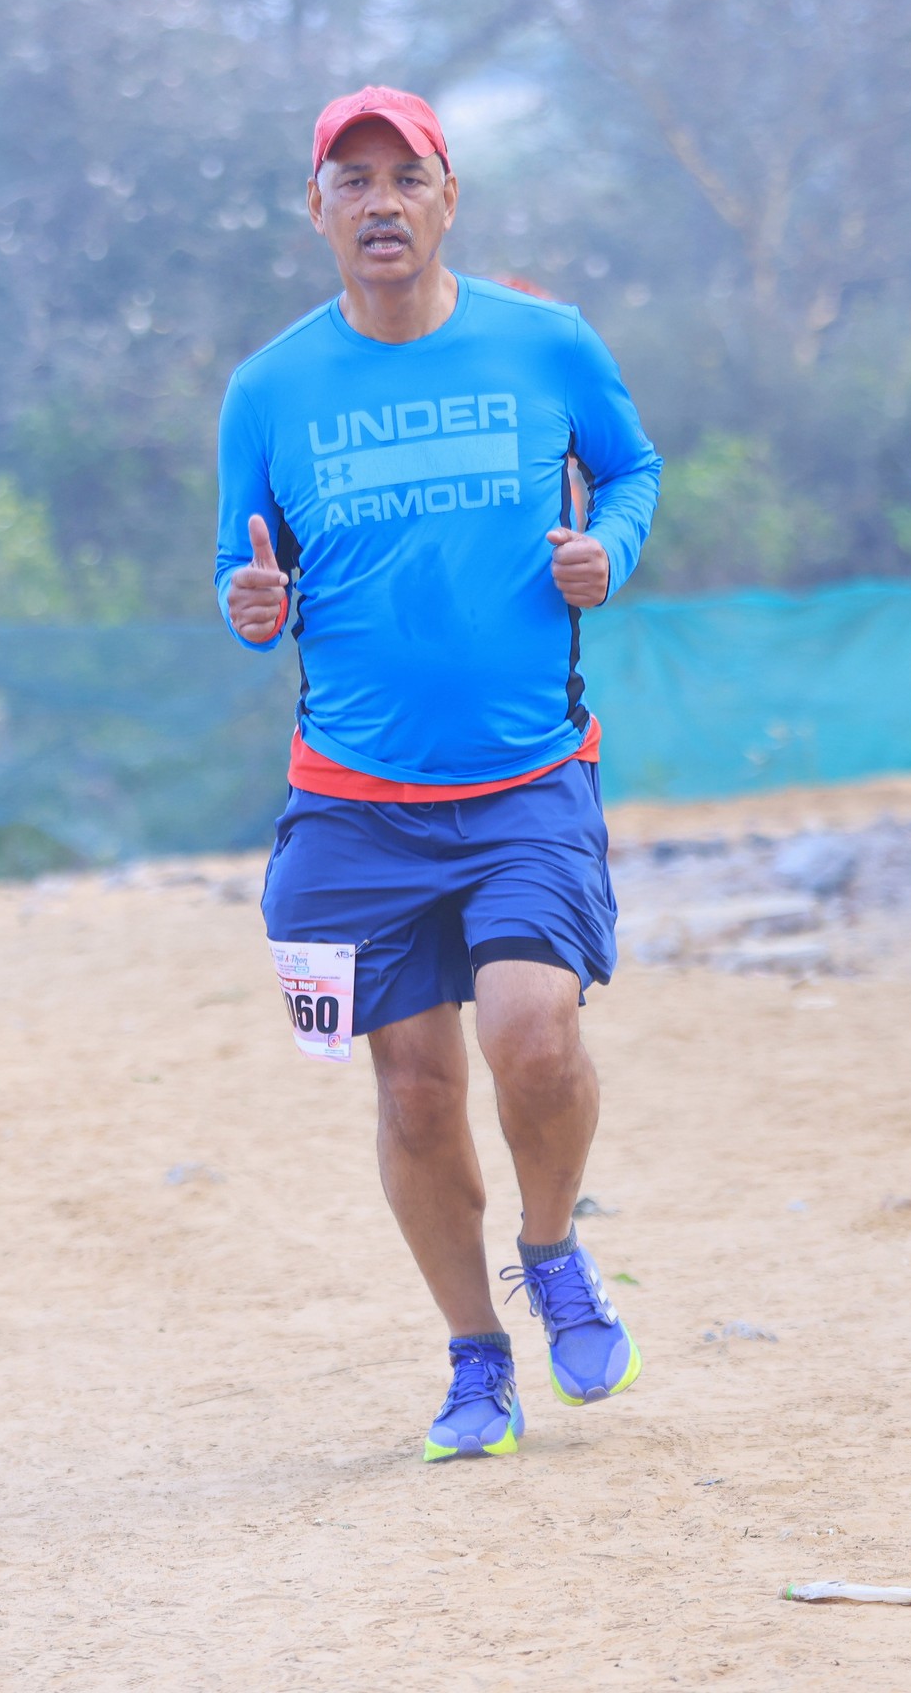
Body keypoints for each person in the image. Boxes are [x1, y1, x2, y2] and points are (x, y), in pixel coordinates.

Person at [215, 88, 662, 1461]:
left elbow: (632, 472)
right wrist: (249, 603)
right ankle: (477, 1361)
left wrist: (608, 551)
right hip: (355, 801)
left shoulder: (547, 341)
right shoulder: (269, 390)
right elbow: (245, 566)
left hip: (527, 777)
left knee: (535, 1035)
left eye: (405, 176)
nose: (381, 202)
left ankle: (554, 1250)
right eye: (351, 180)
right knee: (412, 1089)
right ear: (316, 211)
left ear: (449, 197)